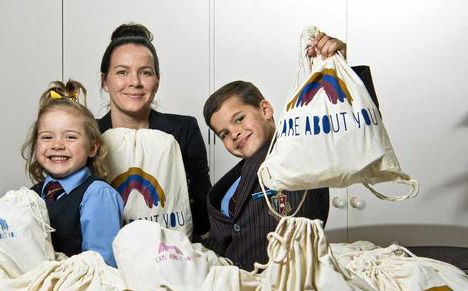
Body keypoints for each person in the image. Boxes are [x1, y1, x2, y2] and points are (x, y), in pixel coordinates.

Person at [202, 32, 348, 271]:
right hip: (238, 290)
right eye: (224, 134)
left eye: (239, 119)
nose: (234, 133)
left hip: (290, 285)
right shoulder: (229, 186)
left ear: (265, 109)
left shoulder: (302, 153)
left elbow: (347, 128)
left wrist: (339, 69)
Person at [97, 23, 212, 238]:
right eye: (122, 72)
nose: (134, 82)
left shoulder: (183, 131)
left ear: (157, 81)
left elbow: (204, 213)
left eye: (145, 73)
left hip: (170, 254)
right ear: (105, 81)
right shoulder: (89, 134)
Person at [21, 79, 123, 267]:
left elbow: (101, 267)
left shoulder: (97, 194)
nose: (57, 145)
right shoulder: (29, 197)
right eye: (47, 137)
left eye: (70, 137)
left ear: (92, 148)